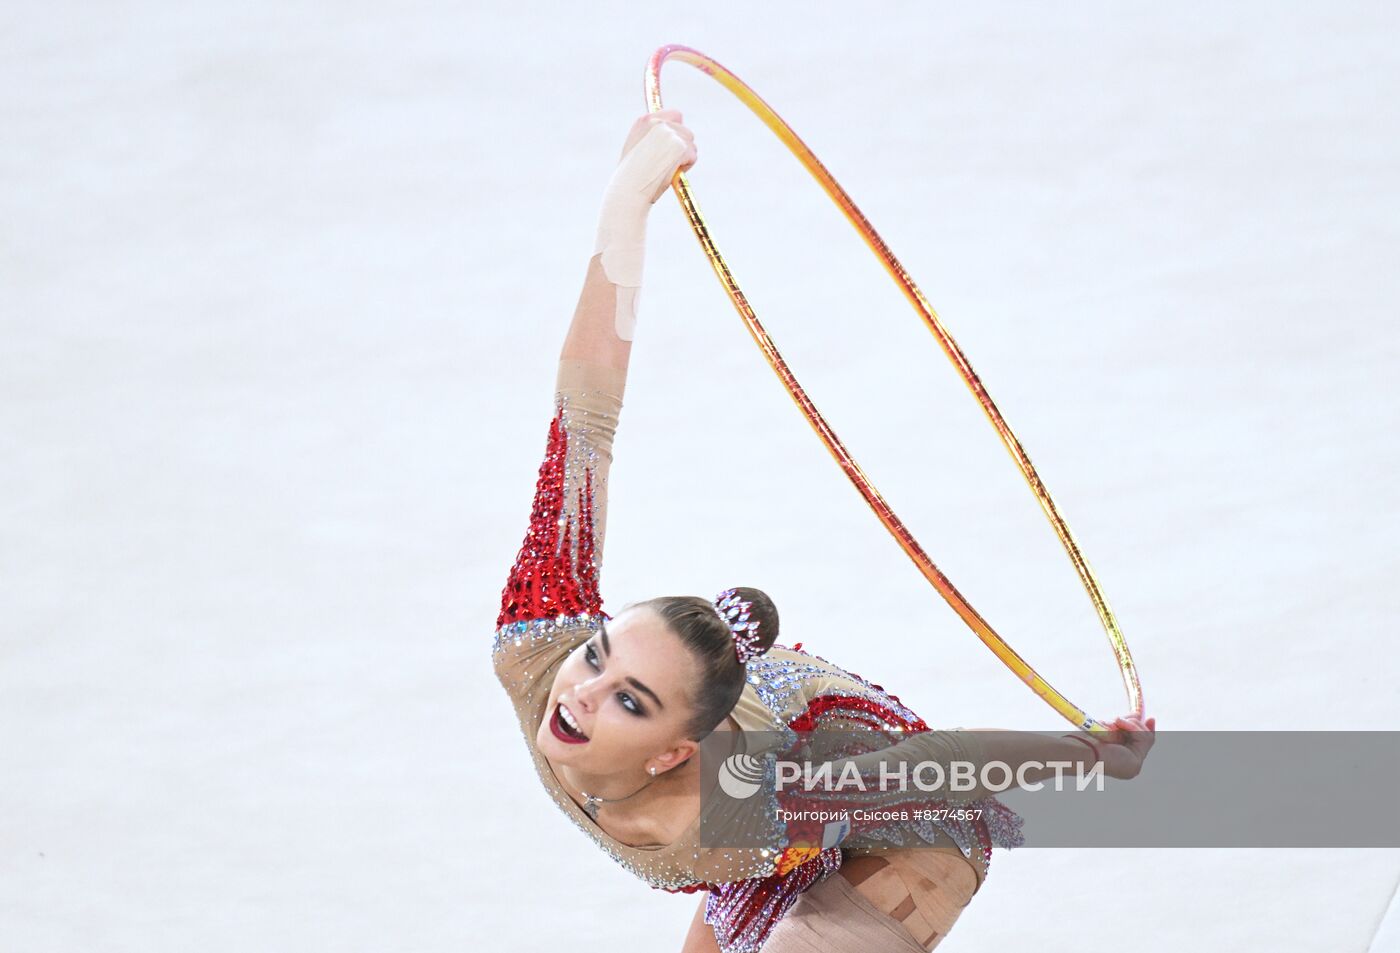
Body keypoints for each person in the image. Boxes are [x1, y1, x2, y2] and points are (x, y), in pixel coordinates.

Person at [493, 109, 1157, 953]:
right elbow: (583, 421)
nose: (582, 689)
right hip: (780, 841)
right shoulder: (539, 645)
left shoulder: (741, 797)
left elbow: (936, 764)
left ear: (673, 755)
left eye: (630, 698)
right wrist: (625, 207)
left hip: (907, 825)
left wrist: (1096, 754)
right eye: (601, 655)